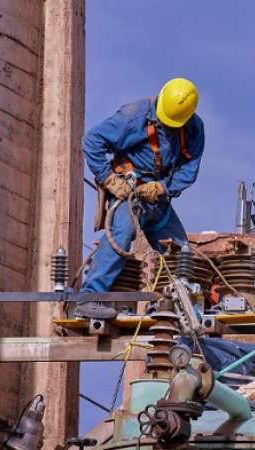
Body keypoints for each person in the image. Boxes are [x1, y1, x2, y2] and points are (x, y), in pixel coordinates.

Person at [75, 78, 205, 319]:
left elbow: (189, 171)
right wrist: (111, 180)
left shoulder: (194, 129)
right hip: (129, 194)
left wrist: (162, 188)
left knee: (180, 251)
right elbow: (91, 141)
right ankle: (88, 298)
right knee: (121, 233)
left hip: (157, 201)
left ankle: (184, 309)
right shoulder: (134, 116)